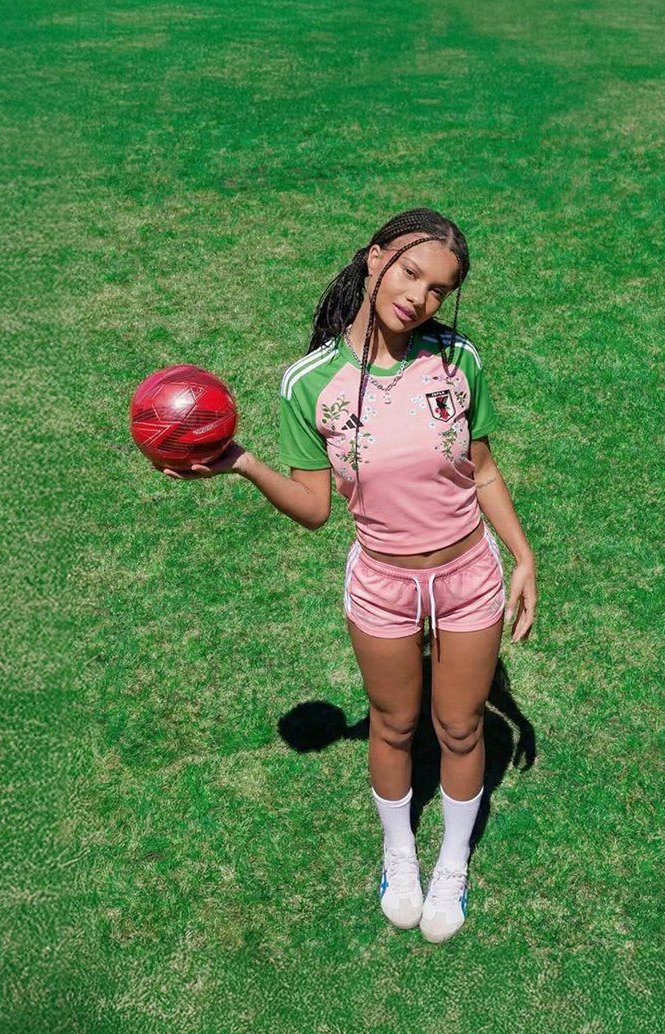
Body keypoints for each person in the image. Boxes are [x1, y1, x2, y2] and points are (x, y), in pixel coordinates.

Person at [166, 207, 537, 943]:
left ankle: (451, 864)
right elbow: (313, 507)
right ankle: (400, 854)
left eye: (438, 288)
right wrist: (241, 461)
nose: (419, 297)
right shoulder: (310, 384)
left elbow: (484, 469)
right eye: (409, 271)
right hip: (383, 583)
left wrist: (522, 554)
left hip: (468, 572)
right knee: (396, 723)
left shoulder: (457, 360)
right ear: (374, 259)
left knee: (460, 726)